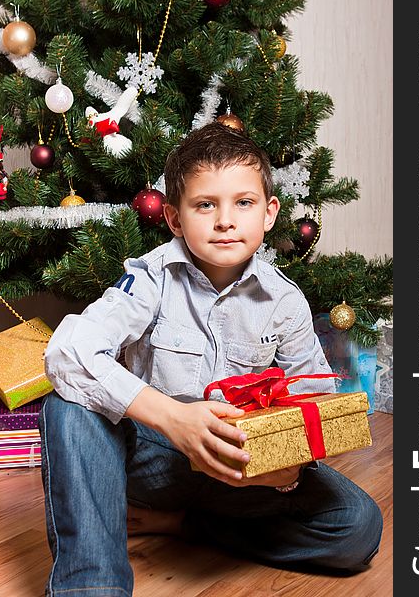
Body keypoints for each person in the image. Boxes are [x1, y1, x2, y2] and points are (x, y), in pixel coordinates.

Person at [40, 122, 382, 597]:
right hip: (153, 458)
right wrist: (174, 419)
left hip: (240, 468)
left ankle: (179, 525)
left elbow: (312, 399)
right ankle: (90, 586)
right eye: (205, 205)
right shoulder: (151, 280)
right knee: (68, 404)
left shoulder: (285, 301)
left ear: (268, 214)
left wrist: (287, 472)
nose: (225, 220)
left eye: (243, 203)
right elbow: (67, 351)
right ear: (176, 220)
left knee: (357, 527)